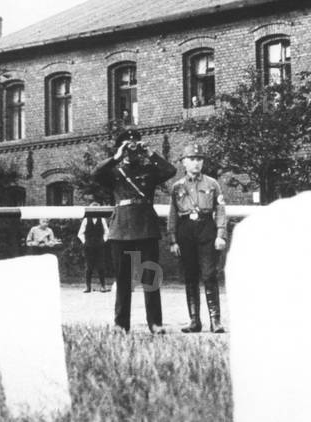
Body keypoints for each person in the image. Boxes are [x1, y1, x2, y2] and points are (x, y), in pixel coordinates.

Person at [94, 128, 176, 334]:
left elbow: (170, 171)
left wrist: (150, 153)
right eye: (127, 145)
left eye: (135, 145)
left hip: (146, 227)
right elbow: (95, 173)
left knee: (151, 278)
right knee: (123, 280)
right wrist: (115, 157)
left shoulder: (149, 170)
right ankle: (121, 324)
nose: (132, 149)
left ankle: (155, 323)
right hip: (122, 229)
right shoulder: (114, 172)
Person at [167, 143, 228, 333]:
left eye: (199, 159)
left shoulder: (212, 184)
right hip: (186, 231)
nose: (196, 163)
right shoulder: (177, 187)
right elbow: (173, 215)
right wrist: (173, 240)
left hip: (206, 229)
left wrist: (220, 235)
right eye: (192, 159)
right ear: (184, 162)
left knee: (210, 274)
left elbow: (220, 210)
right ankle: (194, 320)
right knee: (191, 275)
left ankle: (215, 320)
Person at [76, 201, 110, 293]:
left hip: (100, 246)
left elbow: (107, 232)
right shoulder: (86, 219)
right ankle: (88, 287)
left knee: (101, 266)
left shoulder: (102, 219)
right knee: (89, 267)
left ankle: (103, 286)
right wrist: (85, 242)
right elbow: (80, 233)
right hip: (88, 246)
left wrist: (103, 240)